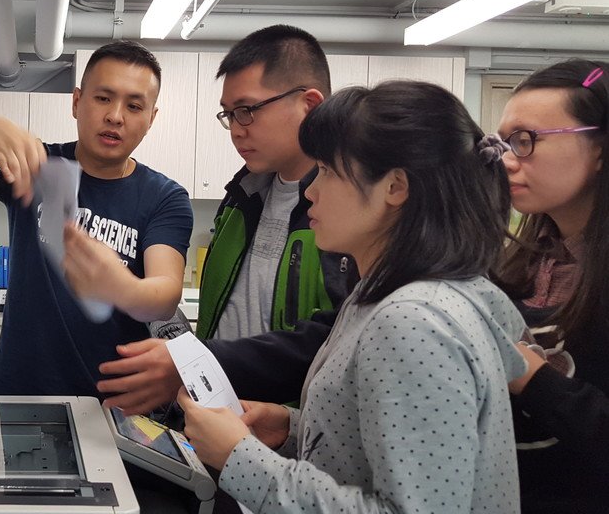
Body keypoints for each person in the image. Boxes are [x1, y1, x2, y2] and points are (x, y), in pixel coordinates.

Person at [178, 81, 525, 513]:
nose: (311, 191)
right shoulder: (379, 293)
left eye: (327, 170)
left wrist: (240, 459)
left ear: (394, 187)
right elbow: (386, 453)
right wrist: (292, 428)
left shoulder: (414, 321)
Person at [97, 25, 357, 413]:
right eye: (229, 114)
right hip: (213, 421)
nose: (236, 130)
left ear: (310, 105)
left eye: (247, 111)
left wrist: (198, 362)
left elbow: (337, 342)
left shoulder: (349, 216)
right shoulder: (241, 197)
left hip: (286, 432)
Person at [0, 40, 193, 396]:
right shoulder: (35, 165)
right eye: (103, 98)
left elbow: (166, 293)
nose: (116, 116)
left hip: (110, 406)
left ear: (151, 118)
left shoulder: (164, 197)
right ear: (77, 102)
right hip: (15, 394)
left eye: (134, 105)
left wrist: (124, 288)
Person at [493, 59, 608, 513]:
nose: (507, 160)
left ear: (599, 149)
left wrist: (533, 378)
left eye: (525, 141)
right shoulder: (519, 260)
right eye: (504, 143)